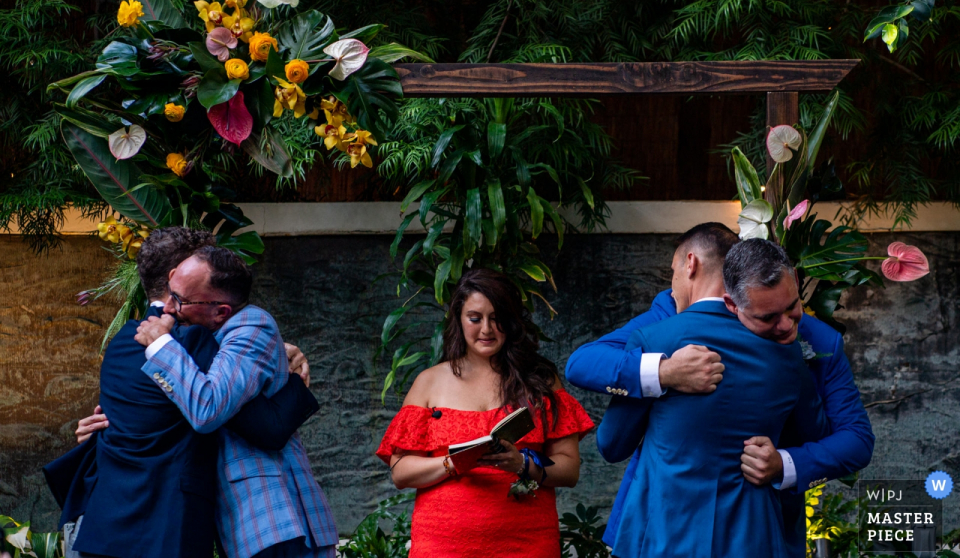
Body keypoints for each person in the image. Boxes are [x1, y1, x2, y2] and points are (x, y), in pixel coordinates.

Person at [564, 223, 874, 556]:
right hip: (673, 522)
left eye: (791, 309)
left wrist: (785, 464)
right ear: (732, 303)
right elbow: (582, 362)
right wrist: (663, 371)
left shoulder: (817, 342)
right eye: (769, 316)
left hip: (749, 524)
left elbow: (854, 438)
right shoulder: (668, 313)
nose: (785, 326)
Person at [43, 227, 319, 558]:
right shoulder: (191, 344)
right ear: (178, 274)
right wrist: (289, 381)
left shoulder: (119, 344)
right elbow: (266, 426)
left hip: (103, 528)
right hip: (167, 533)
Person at [133, 246, 338, 558]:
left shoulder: (250, 324)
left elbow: (208, 408)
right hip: (242, 523)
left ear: (221, 311)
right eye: (169, 293)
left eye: (182, 300)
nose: (169, 308)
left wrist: (159, 344)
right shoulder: (203, 335)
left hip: (273, 516)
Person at [375, 268, 594, 558]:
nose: (487, 329)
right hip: (442, 543)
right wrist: (453, 463)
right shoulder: (429, 381)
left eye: (497, 318)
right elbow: (400, 471)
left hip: (527, 541)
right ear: (459, 319)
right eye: (475, 318)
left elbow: (569, 470)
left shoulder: (539, 380)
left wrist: (521, 463)